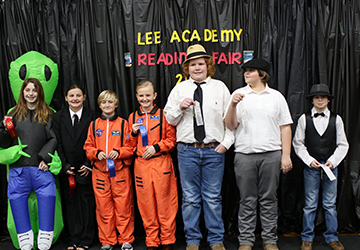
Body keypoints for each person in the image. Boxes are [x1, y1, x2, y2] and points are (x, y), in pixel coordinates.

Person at [164, 44, 234, 250]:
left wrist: (225, 144)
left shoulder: (220, 88)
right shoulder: (180, 89)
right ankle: (193, 240)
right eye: (193, 64)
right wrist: (179, 107)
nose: (197, 68)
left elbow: (230, 119)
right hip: (188, 151)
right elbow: (169, 118)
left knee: (213, 197)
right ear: (187, 68)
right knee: (190, 198)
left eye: (201, 64)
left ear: (208, 65)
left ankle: (216, 240)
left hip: (214, 150)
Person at [224, 58, 293, 250]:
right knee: (246, 199)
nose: (246, 73)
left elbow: (285, 127)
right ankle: (246, 240)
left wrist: (286, 156)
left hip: (271, 154)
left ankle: (270, 240)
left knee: (269, 198)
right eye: (245, 71)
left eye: (251, 71)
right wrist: (232, 105)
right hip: (244, 155)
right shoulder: (238, 94)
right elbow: (230, 125)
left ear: (262, 74)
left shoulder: (276, 96)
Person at [0, 78, 57, 250]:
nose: (31, 94)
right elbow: (4, 143)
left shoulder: (48, 113)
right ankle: (24, 237)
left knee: (48, 197)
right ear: (22, 92)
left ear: (39, 92)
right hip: (18, 170)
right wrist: (3, 128)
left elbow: (54, 138)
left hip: (41, 169)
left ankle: (46, 235)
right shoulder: (13, 114)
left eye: (34, 90)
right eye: (28, 90)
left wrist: (45, 158)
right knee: (16, 200)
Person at [292, 84, 349, 250]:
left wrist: (333, 161)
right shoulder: (304, 119)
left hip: (331, 168)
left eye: (323, 97)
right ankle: (307, 237)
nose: (320, 100)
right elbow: (298, 143)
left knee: (330, 205)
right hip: (312, 168)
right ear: (312, 100)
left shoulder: (336, 119)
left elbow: (343, 144)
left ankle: (332, 236)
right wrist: (309, 160)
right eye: (317, 97)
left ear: (328, 100)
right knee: (310, 204)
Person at [128, 80, 178, 250]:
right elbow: (128, 146)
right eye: (141, 95)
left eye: (148, 95)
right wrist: (133, 133)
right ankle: (152, 240)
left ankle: (167, 239)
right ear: (136, 96)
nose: (144, 99)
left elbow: (172, 140)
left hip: (161, 164)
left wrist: (156, 147)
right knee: (146, 204)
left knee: (166, 204)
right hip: (141, 166)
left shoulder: (164, 115)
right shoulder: (133, 117)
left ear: (155, 96)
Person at [83, 90, 135, 250]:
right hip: (99, 173)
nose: (107, 105)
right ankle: (107, 241)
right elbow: (88, 146)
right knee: (104, 208)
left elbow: (131, 146)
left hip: (120, 172)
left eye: (110, 102)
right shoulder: (93, 125)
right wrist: (96, 153)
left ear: (116, 104)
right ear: (99, 105)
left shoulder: (123, 124)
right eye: (104, 102)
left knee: (124, 207)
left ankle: (126, 239)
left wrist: (119, 152)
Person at [52, 84, 97, 250]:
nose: (75, 99)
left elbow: (96, 141)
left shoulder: (93, 116)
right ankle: (74, 239)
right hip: (68, 169)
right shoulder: (58, 117)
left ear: (84, 97)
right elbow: (57, 142)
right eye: (71, 96)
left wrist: (88, 163)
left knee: (87, 204)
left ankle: (87, 239)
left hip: (86, 168)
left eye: (78, 95)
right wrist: (64, 166)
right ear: (65, 98)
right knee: (71, 205)